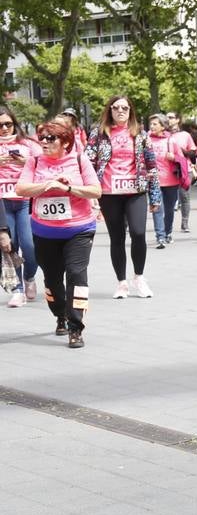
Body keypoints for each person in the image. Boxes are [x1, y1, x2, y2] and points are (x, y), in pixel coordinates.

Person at [15, 120, 101, 347]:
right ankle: (60, 315)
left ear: (65, 141)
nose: (43, 142)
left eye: (50, 138)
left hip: (79, 230)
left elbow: (96, 190)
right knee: (52, 280)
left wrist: (68, 188)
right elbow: (21, 188)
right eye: (41, 137)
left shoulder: (80, 160)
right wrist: (47, 184)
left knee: (76, 275)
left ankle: (76, 327)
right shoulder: (34, 161)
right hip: (45, 232)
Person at [87, 94, 161, 298]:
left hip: (135, 190)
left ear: (131, 111)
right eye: (116, 107)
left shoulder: (141, 134)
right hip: (109, 192)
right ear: (109, 110)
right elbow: (88, 164)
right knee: (117, 237)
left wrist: (155, 196)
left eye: (125, 108)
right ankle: (121, 282)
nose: (120, 111)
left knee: (138, 233)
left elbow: (152, 166)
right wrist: (90, 194)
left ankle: (139, 277)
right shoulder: (98, 133)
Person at [1, 105, 41, 307]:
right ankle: (17, 289)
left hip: (25, 202)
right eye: (0, 125)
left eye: (8, 124)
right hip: (3, 204)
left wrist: (25, 162)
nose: (5, 128)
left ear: (14, 123)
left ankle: (30, 277)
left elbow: (44, 165)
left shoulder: (27, 144)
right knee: (11, 246)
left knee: (30, 245)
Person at [147, 115, 187, 248]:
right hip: (154, 181)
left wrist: (173, 157)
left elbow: (182, 159)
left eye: (155, 124)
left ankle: (168, 232)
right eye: (151, 124)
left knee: (169, 209)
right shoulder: (146, 140)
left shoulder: (171, 140)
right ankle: (160, 237)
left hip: (171, 181)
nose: (151, 126)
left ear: (162, 127)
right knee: (157, 208)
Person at [167, 113, 196, 233]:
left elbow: (193, 152)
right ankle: (167, 224)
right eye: (167, 118)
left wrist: (182, 152)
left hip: (184, 169)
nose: (169, 120)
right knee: (169, 199)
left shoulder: (185, 135)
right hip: (168, 171)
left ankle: (185, 223)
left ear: (177, 120)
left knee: (184, 196)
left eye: (171, 117)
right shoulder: (164, 135)